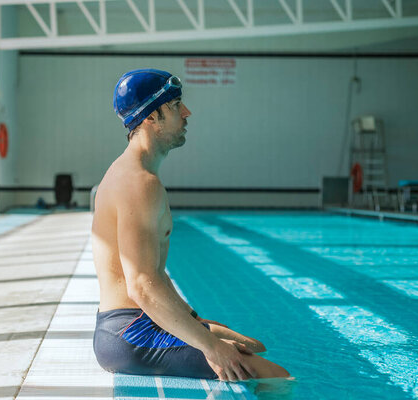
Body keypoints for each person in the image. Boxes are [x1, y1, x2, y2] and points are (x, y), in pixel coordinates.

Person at [91, 68, 290, 381]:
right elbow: (141, 285)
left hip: (133, 323)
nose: (186, 113)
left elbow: (155, 273)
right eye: (175, 106)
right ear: (150, 117)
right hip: (130, 333)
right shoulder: (139, 183)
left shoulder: (135, 174)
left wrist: (194, 319)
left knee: (254, 346)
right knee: (275, 376)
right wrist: (210, 346)